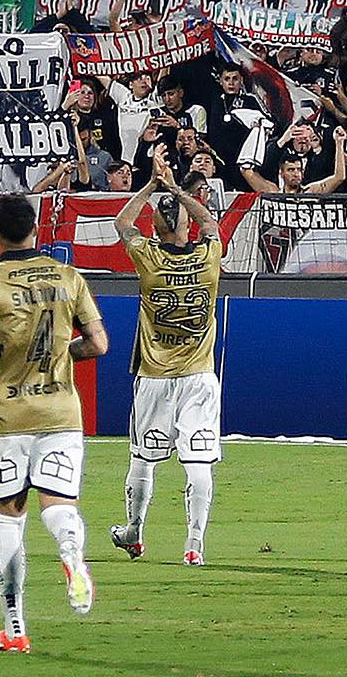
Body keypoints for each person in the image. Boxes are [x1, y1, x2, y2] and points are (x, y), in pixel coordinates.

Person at [0, 193, 108, 654]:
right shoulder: (68, 276)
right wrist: (64, 356)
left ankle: (15, 627)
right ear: (35, 228)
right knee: (59, 504)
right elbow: (98, 344)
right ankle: (73, 556)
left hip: (9, 416)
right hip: (62, 412)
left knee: (8, 520)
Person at [109, 155, 222, 566]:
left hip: (154, 375)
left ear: (155, 228)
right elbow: (210, 224)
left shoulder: (150, 261)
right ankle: (194, 546)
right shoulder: (207, 257)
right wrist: (177, 190)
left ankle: (134, 532)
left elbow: (122, 224)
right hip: (199, 376)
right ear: (186, 225)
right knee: (199, 459)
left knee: (143, 457)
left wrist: (152, 186)